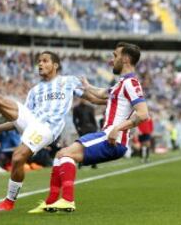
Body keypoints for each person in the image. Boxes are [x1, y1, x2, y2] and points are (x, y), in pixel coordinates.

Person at [0, 48, 105, 211]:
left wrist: (114, 102)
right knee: (1, 101)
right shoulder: (34, 91)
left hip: (47, 128)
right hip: (32, 122)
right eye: (39, 61)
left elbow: (93, 98)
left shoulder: (69, 81)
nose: (40, 64)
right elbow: (19, 120)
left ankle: (9, 201)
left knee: (17, 158)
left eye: (45, 61)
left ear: (55, 65)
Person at [28, 42, 149, 213]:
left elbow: (143, 114)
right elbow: (102, 93)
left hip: (112, 139)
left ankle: (68, 200)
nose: (111, 60)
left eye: (115, 56)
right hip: (107, 136)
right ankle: (51, 203)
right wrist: (87, 86)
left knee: (65, 154)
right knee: (59, 156)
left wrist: (118, 129)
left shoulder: (131, 83)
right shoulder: (121, 84)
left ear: (126, 59)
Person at [73, 98, 98, 169]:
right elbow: (74, 120)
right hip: (82, 130)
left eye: (84, 98)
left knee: (92, 146)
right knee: (82, 147)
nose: (83, 100)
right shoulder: (76, 108)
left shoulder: (90, 108)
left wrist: (95, 128)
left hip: (91, 129)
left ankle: (94, 163)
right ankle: (81, 163)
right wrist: (78, 129)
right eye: (81, 98)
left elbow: (93, 119)